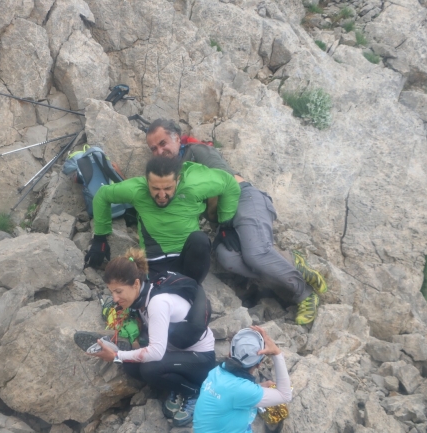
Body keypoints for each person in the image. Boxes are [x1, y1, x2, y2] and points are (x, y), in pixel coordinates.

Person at [145, 118, 327, 325]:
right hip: (225, 221)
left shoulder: (196, 153)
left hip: (244, 199)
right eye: (153, 148)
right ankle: (291, 262)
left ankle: (303, 293)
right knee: (229, 260)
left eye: (163, 144)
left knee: (255, 255)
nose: (159, 151)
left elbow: (226, 183)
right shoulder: (170, 175)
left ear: (176, 138)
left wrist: (226, 222)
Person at [87, 248, 217, 427]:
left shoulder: (157, 303)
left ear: (135, 284)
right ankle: (177, 385)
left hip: (200, 359)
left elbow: (156, 352)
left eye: (118, 292)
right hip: (175, 351)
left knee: (150, 369)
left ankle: (194, 391)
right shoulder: (142, 297)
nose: (115, 298)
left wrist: (116, 356)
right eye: (111, 293)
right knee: (131, 368)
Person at [84, 156, 240, 284]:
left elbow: (229, 183)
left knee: (200, 239)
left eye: (167, 188)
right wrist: (100, 238)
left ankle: (190, 286)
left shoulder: (195, 184)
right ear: (147, 181)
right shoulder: (136, 190)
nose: (162, 195)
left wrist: (226, 225)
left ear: (177, 180)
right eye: (156, 189)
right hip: (153, 262)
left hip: (188, 260)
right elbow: (102, 195)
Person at [192, 326, 292, 433]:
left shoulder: (217, 372)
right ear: (259, 364)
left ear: (230, 354)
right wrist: (277, 353)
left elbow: (231, 392)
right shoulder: (241, 389)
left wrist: (258, 387)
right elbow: (285, 395)